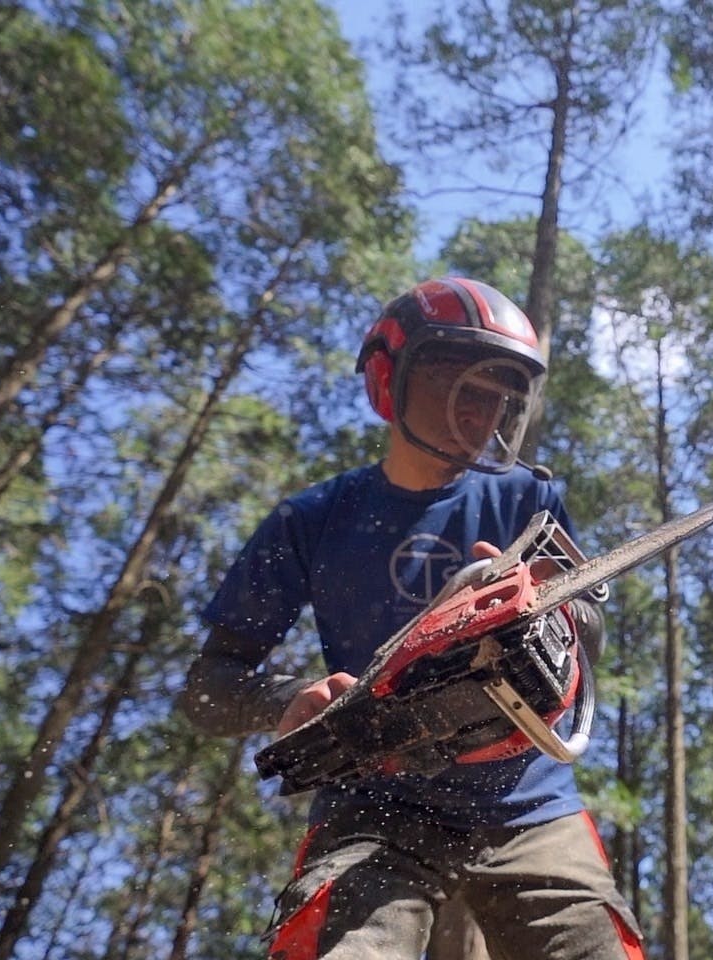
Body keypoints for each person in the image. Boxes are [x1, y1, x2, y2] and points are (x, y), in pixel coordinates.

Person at [180, 277, 644, 960]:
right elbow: (207, 687)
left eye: (498, 394)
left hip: (530, 804)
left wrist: (547, 609)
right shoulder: (313, 519)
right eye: (457, 381)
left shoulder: (529, 498)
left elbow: (590, 632)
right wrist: (287, 699)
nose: (479, 410)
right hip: (371, 804)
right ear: (387, 379)